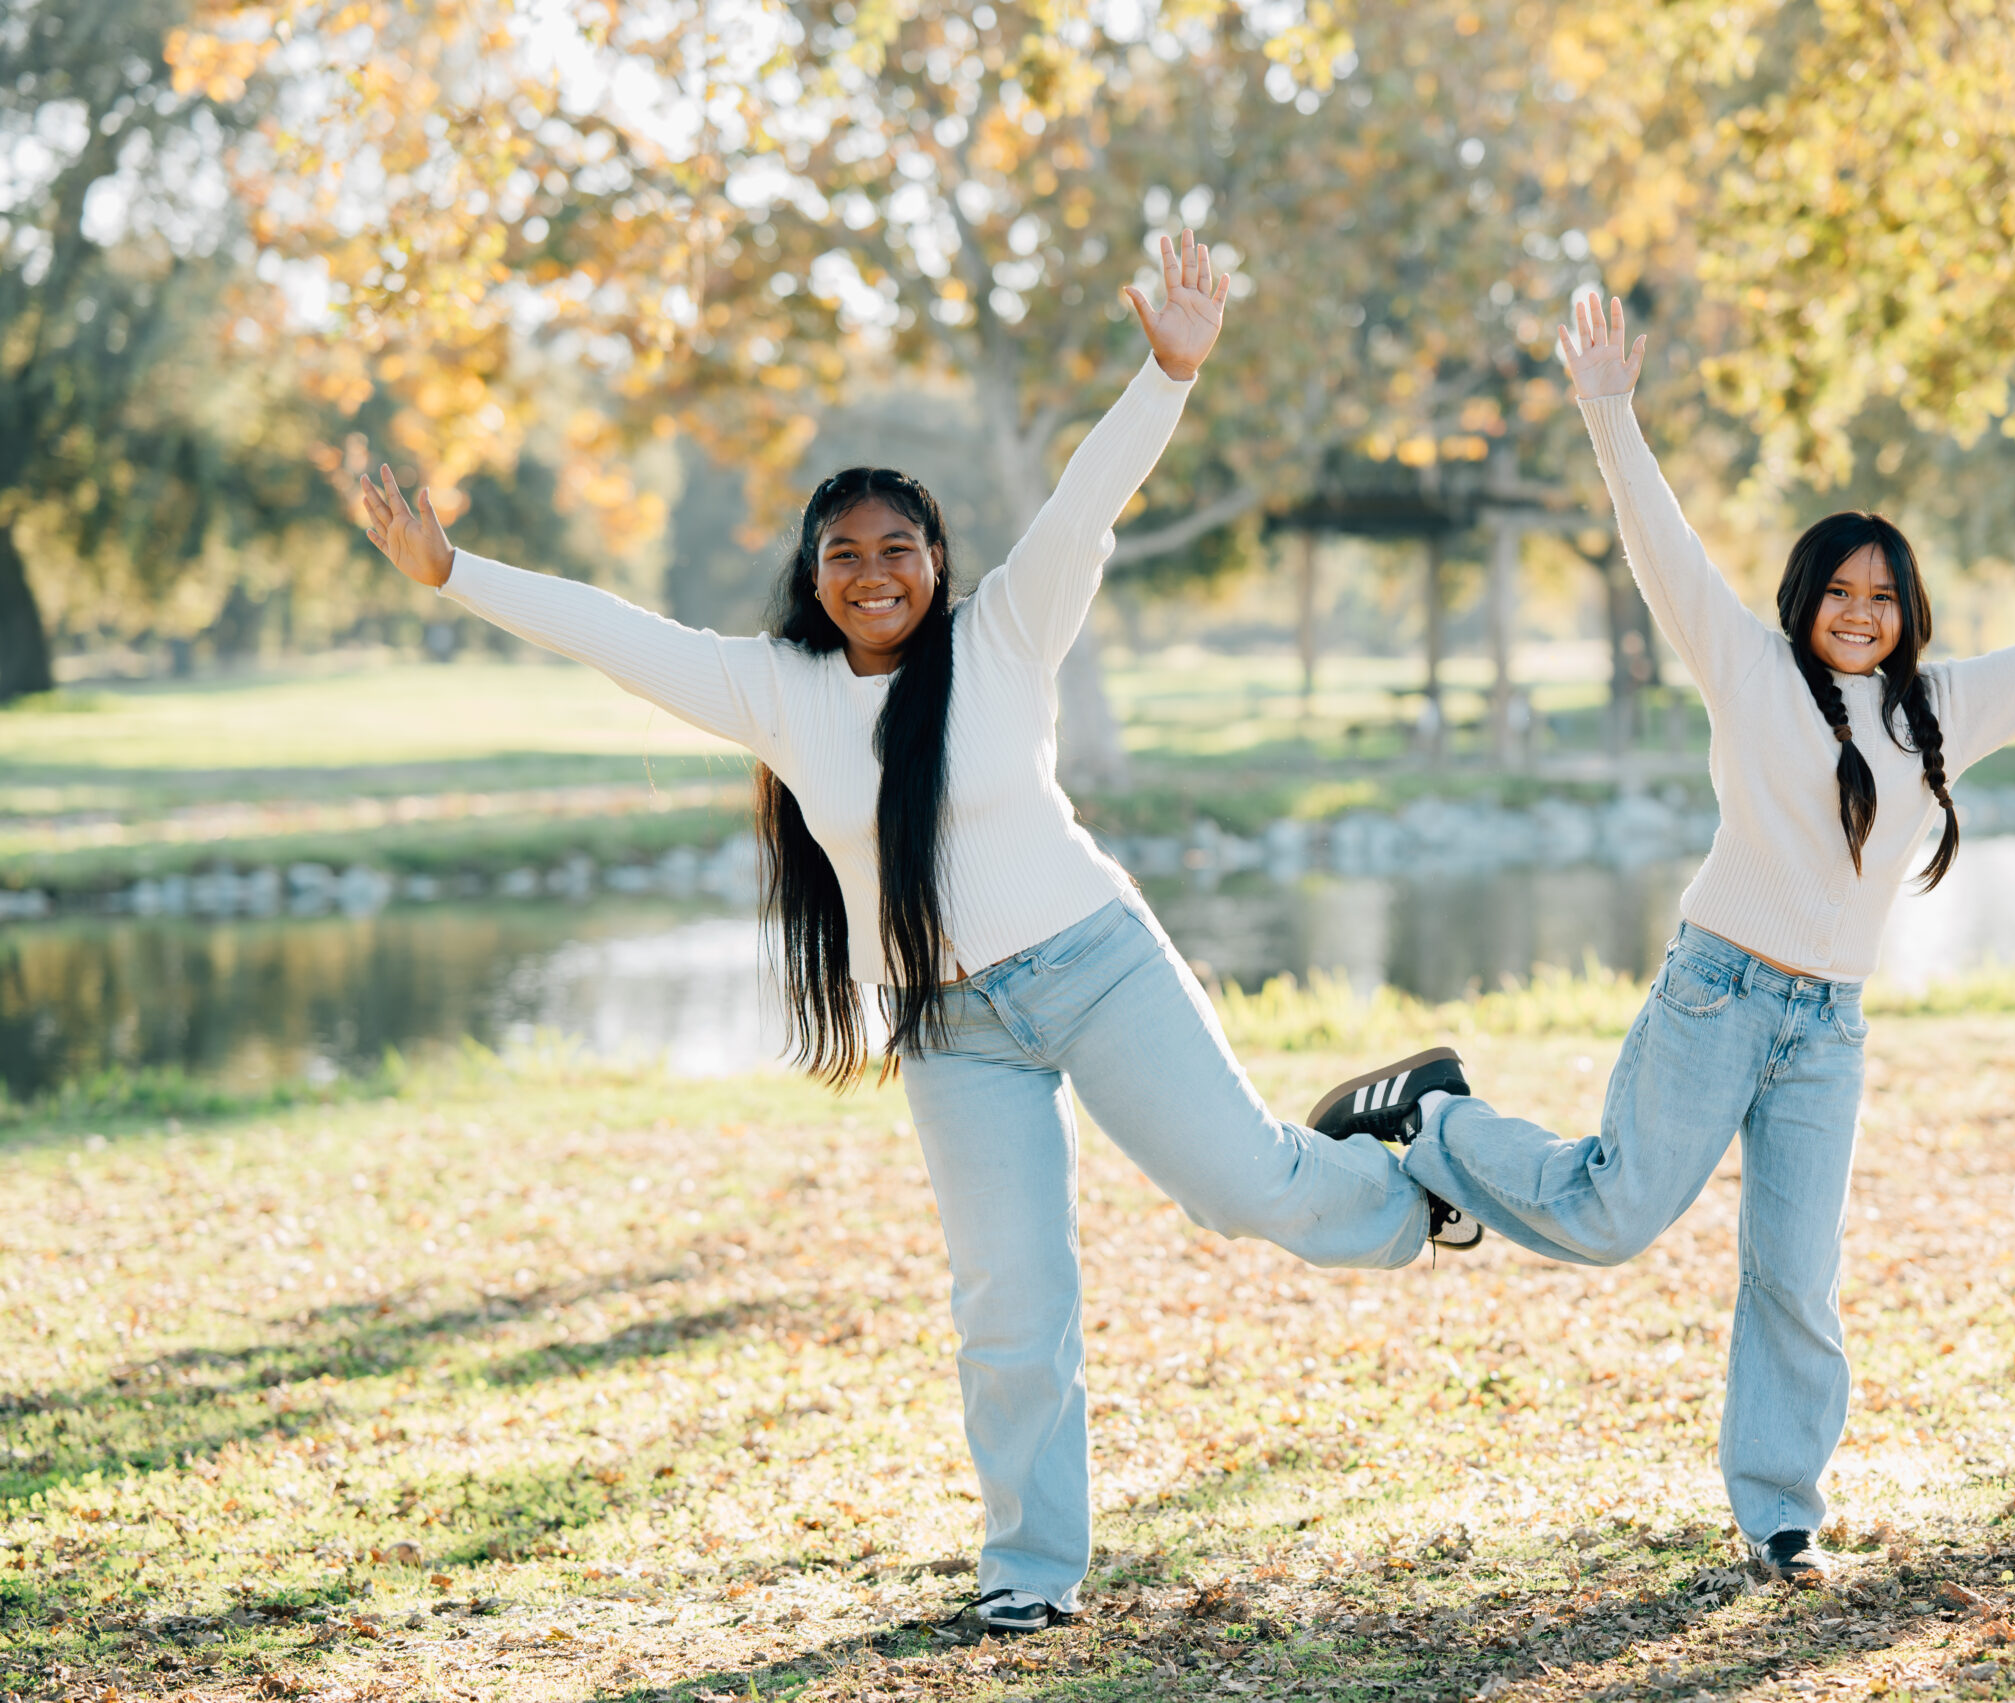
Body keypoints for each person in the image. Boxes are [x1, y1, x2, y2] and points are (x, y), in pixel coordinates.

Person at [357, 232, 1452, 1636]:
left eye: (898, 548)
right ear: (814, 577)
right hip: (950, 1028)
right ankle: (1030, 1572)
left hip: (1094, 965)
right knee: (1009, 1301)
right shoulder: (776, 691)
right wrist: (453, 569)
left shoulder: (1006, 635)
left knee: (1247, 1190)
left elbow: (1087, 504)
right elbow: (609, 631)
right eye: (844, 554)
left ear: (938, 560)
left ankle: (1418, 1178)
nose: (873, 572)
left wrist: (1167, 374)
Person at [1318, 295, 2015, 1585]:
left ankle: (1781, 1512)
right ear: (1805, 599)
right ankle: (1436, 1125)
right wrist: (1609, 410)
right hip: (1717, 994)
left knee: (1796, 1275)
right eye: (1838, 590)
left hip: (1828, 1028)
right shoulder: (1748, 669)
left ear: (1907, 612)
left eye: (1881, 596)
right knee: (1616, 1213)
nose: (1858, 611)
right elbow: (1658, 547)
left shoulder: (1940, 711)